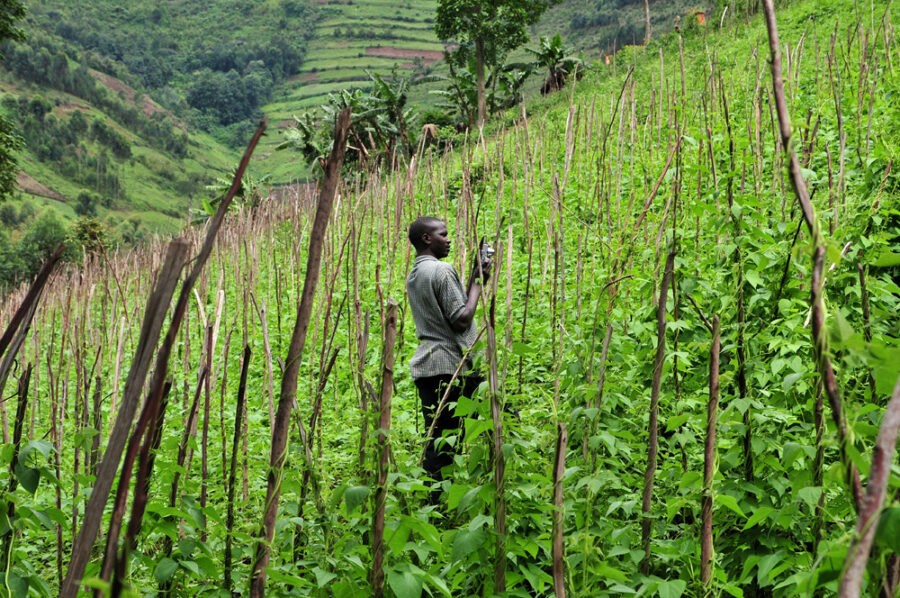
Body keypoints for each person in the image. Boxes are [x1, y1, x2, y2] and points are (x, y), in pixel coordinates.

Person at [406, 216, 491, 504]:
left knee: (439, 440)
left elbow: (447, 310)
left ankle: (433, 505)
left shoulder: (415, 275)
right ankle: (443, 502)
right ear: (427, 239)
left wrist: (468, 281)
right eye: (443, 234)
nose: (449, 239)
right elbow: (460, 320)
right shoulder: (441, 271)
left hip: (428, 368)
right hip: (453, 367)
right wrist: (479, 284)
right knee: (497, 418)